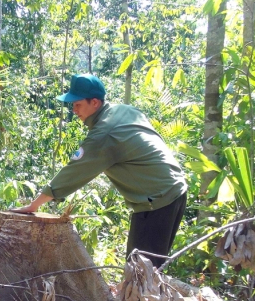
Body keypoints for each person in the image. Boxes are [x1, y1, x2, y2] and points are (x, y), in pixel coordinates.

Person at [11, 74, 187, 269]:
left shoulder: (104, 133)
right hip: (174, 188)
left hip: (158, 200)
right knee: (145, 270)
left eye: (77, 104)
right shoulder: (124, 111)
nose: (73, 110)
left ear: (94, 102)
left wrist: (33, 206)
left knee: (141, 273)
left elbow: (73, 172)